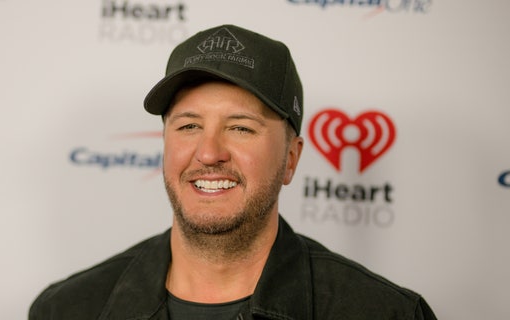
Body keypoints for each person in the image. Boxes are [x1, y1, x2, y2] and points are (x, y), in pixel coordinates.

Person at [29, 24, 437, 320]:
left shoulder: (384, 313)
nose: (208, 153)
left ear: (291, 159)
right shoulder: (66, 309)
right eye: (188, 126)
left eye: (240, 128)